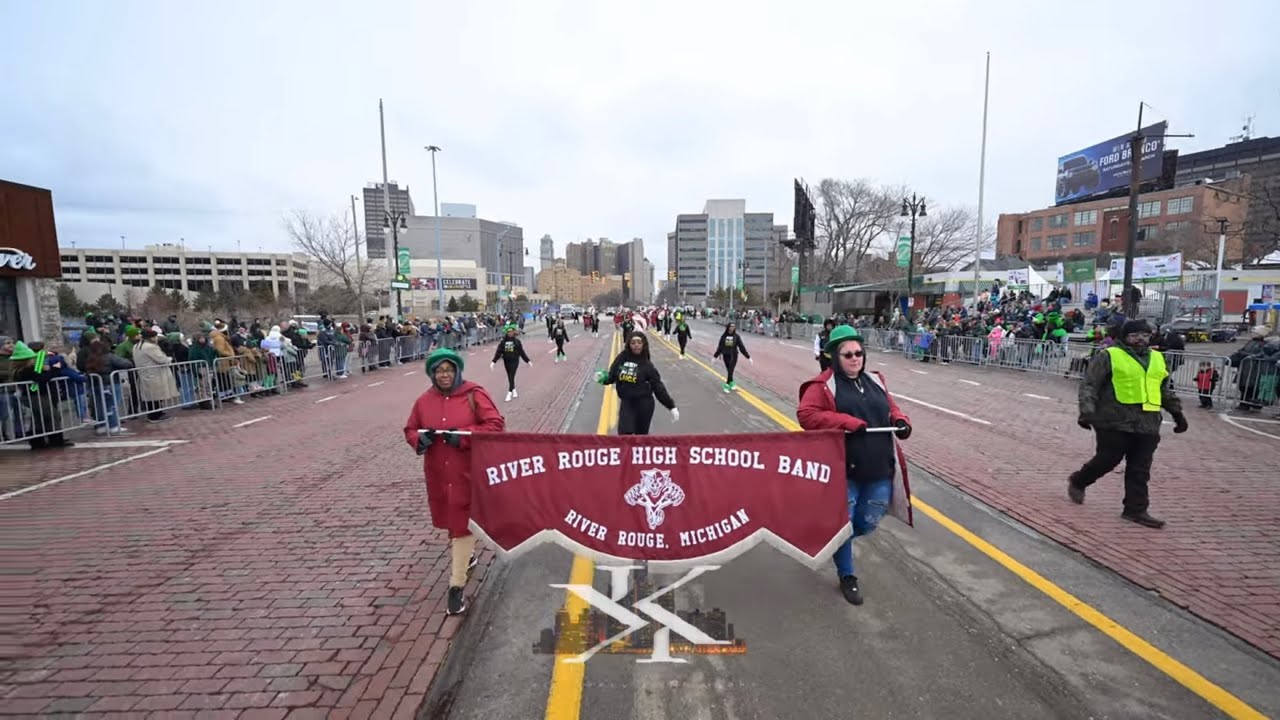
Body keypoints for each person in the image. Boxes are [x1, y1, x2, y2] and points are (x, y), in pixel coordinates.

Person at [797, 325, 912, 605]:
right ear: (835, 356)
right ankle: (847, 575)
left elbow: (891, 407)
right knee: (843, 526)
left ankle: (830, 539)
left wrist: (900, 420)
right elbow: (807, 415)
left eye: (859, 353)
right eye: (847, 354)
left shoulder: (876, 380)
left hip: (879, 468)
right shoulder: (823, 386)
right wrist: (847, 423)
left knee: (865, 523)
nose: (854, 358)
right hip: (843, 472)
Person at [403, 347, 505, 615]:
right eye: (439, 371)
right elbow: (411, 428)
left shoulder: (474, 393)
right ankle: (468, 556)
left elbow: (495, 424)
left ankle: (456, 586)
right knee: (452, 522)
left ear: (457, 371)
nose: (444, 375)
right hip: (439, 474)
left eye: (448, 370)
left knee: (461, 526)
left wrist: (463, 436)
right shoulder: (424, 401)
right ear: (432, 374)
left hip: (468, 473)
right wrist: (418, 440)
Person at [1069, 319, 1187, 529]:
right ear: (1125, 337)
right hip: (1113, 419)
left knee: (1140, 468)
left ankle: (1135, 509)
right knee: (1108, 459)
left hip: (1148, 422)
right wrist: (1086, 411)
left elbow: (1164, 389)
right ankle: (1079, 480)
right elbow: (1090, 385)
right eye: (1135, 335)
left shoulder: (1158, 358)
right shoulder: (1110, 355)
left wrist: (1177, 414)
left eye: (1145, 335)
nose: (1140, 339)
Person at [597, 332, 678, 435]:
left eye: (639, 342)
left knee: (640, 438)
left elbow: (658, 387)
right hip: (627, 402)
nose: (636, 345)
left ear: (643, 345)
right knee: (625, 434)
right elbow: (612, 376)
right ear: (629, 345)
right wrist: (603, 378)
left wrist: (671, 406)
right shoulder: (622, 358)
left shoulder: (647, 365)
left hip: (644, 404)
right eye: (633, 343)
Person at [490, 323, 532, 402]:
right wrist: (493, 361)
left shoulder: (517, 342)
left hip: (515, 361)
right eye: (508, 332)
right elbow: (499, 351)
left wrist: (528, 361)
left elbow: (521, 352)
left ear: (514, 332)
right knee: (509, 375)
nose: (510, 333)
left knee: (512, 375)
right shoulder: (503, 342)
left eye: (511, 331)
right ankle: (514, 389)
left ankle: (509, 392)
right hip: (506, 361)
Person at [712, 322, 751, 393]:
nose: (732, 328)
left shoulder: (736, 336)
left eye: (734, 327)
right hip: (726, 355)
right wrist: (715, 356)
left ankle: (726, 385)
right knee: (729, 370)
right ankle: (732, 382)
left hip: (734, 355)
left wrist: (748, 357)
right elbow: (720, 347)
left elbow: (741, 347)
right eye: (731, 326)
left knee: (731, 369)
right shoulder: (724, 336)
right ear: (728, 327)